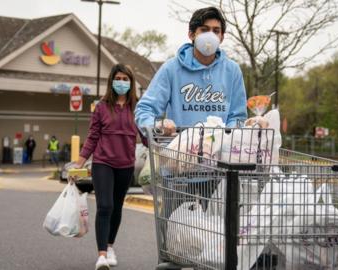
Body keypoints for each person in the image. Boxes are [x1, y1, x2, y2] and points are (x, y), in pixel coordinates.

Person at [135, 6, 247, 134]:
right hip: (179, 150)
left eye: (216, 31)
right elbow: (145, 109)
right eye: (204, 30)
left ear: (221, 37)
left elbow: (238, 117)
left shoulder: (233, 71)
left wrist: (231, 135)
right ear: (191, 34)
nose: (210, 35)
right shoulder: (171, 68)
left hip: (219, 151)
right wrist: (158, 125)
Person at [70, 64, 140, 270]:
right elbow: (92, 136)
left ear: (131, 83)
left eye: (126, 79)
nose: (122, 82)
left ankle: (110, 247)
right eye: (118, 78)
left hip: (126, 164)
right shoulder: (101, 106)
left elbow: (145, 135)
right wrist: (79, 163)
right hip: (103, 163)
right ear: (112, 81)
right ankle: (101, 255)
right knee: (105, 206)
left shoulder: (138, 106)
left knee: (117, 206)